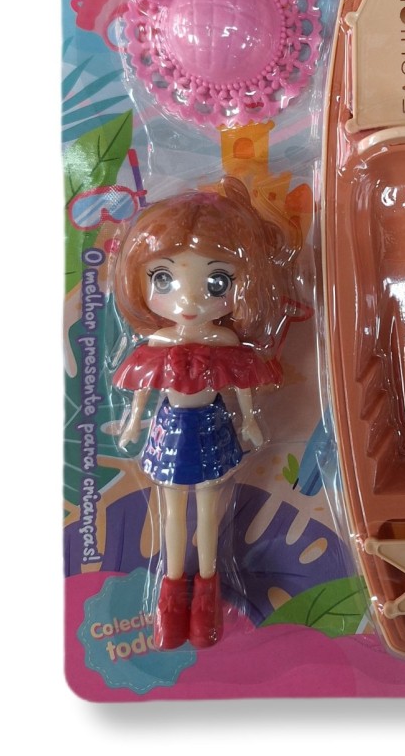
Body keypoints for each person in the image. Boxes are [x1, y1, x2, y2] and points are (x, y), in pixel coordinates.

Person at [111, 178, 297, 648]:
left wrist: (250, 420)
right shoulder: (157, 343)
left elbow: (242, 386)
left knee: (208, 512)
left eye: (217, 282)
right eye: (163, 279)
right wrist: (133, 422)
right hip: (171, 429)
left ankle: (207, 594)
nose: (188, 301)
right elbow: (144, 389)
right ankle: (172, 592)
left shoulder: (226, 342)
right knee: (173, 512)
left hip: (211, 428)